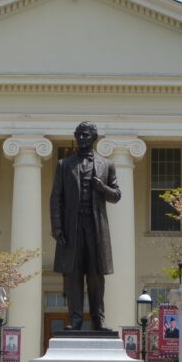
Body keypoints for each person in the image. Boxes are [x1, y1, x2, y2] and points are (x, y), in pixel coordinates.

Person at [49, 121, 120, 331]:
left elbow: (116, 195)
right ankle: (76, 318)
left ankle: (98, 319)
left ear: (94, 138)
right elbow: (56, 199)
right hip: (72, 229)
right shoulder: (64, 165)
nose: (82, 139)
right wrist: (57, 228)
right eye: (79, 135)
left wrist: (102, 187)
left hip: (96, 229)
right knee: (73, 275)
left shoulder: (107, 165)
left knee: (96, 275)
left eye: (86, 135)